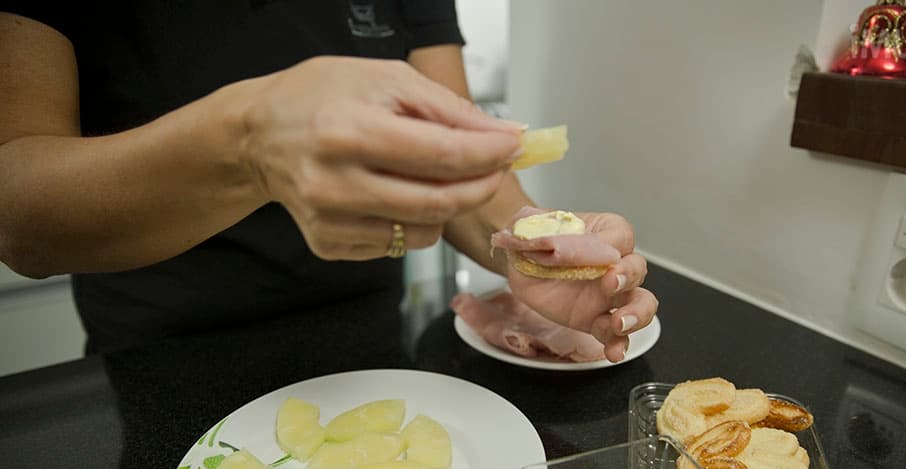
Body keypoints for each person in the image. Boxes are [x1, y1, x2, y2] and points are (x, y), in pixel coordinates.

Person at [0, 2, 657, 362]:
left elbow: (461, 160)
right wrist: (248, 140)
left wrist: (535, 248)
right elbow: (19, 211)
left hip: (369, 350)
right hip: (162, 365)